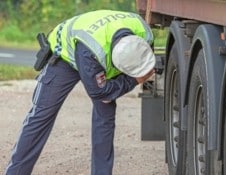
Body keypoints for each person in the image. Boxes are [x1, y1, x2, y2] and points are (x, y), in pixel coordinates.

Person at [5, 9, 155, 175]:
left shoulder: (144, 34)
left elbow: (140, 65)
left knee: (105, 115)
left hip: (101, 52)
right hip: (66, 58)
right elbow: (101, 93)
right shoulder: (91, 50)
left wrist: (131, 77)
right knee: (41, 114)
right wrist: (134, 80)